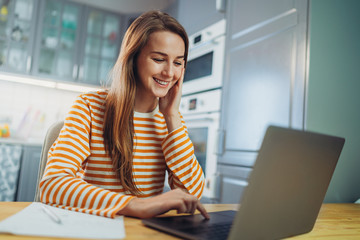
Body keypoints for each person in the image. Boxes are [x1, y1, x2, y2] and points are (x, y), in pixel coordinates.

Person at [39, 10, 209, 219]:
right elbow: (52, 185)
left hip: (143, 232)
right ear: (133, 58)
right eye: (158, 59)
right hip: (94, 227)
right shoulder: (89, 107)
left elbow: (191, 196)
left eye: (178, 62)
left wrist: (172, 116)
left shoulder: (171, 121)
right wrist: (134, 205)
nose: (169, 73)